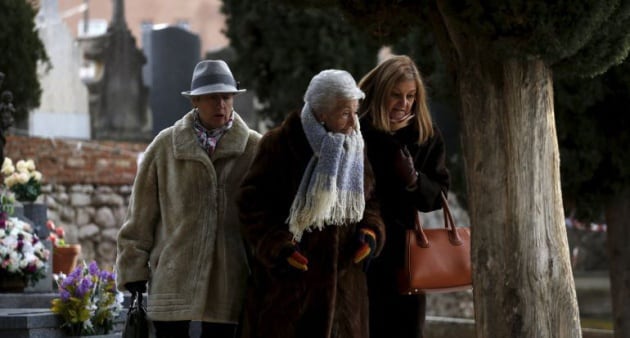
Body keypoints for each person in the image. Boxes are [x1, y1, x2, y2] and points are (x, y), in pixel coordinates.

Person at [116, 59, 261, 338]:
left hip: (229, 278)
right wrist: (133, 271)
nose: (221, 104)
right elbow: (140, 216)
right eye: (212, 97)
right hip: (173, 278)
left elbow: (266, 216)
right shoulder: (165, 146)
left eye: (227, 97)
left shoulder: (254, 147)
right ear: (195, 100)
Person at [236, 69, 385, 338]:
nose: (354, 122)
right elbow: (251, 203)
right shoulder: (280, 144)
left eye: (355, 111)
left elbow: (370, 198)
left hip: (345, 297)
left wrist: (371, 232)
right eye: (344, 113)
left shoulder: (356, 145)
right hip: (289, 294)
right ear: (321, 113)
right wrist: (278, 246)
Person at [358, 55, 451, 338]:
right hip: (361, 247)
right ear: (380, 93)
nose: (404, 103)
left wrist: (414, 180)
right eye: (395, 95)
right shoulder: (359, 131)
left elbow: (437, 196)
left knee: (406, 328)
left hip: (405, 254)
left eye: (411, 96)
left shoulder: (425, 135)